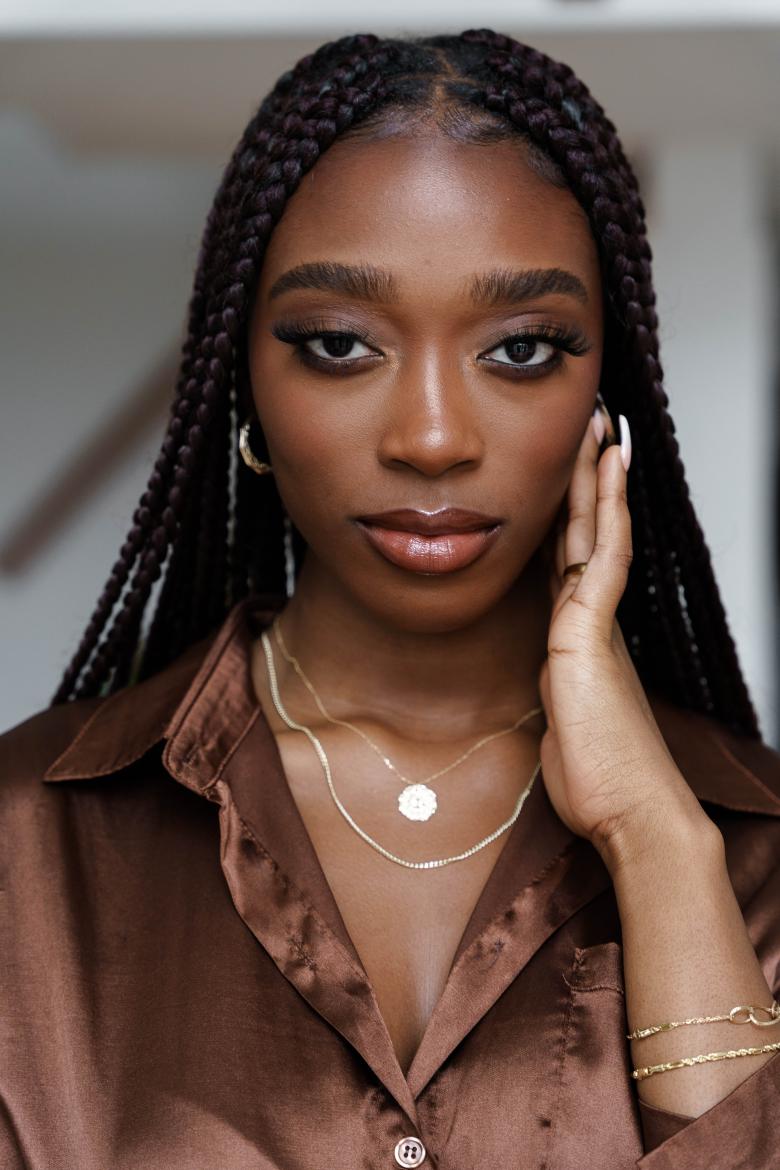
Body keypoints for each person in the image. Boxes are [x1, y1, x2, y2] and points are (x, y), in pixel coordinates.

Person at [1, 28, 778, 1170]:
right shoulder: (25, 849)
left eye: (520, 350)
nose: (430, 438)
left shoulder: (749, 850)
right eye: (338, 344)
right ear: (244, 387)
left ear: (608, 396)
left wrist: (659, 844)